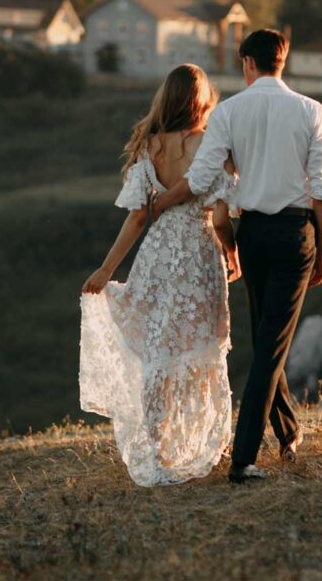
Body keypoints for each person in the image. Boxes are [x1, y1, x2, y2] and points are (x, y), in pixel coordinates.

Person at [152, 29, 322, 484]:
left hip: (252, 234)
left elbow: (200, 178)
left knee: (265, 338)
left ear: (245, 62)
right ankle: (245, 458)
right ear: (283, 59)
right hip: (296, 234)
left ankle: (287, 433)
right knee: (270, 344)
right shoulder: (312, 111)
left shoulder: (229, 112)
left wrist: (159, 203)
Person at [79, 63, 240, 487]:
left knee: (159, 352)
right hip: (199, 256)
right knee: (201, 349)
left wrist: (106, 269)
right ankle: (202, 440)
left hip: (157, 257)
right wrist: (231, 250)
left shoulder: (148, 149)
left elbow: (136, 219)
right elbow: (221, 215)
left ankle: (157, 446)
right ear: (201, 100)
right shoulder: (208, 144)